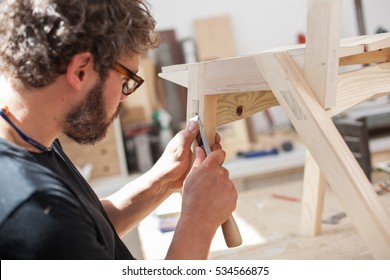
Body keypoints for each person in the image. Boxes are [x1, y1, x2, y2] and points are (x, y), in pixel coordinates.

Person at [0, 0, 237, 259]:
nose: (125, 97)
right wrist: (199, 220)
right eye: (126, 80)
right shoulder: (34, 209)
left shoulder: (30, 138)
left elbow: (82, 235)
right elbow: (60, 231)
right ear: (80, 71)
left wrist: (162, 181)